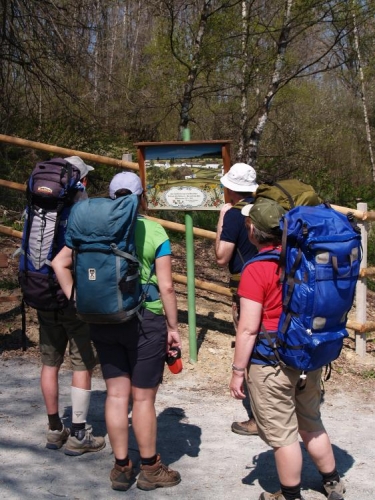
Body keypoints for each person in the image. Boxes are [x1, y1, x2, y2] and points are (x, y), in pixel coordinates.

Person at [52, 171, 182, 492]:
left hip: (103, 319)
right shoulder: (153, 229)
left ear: (111, 197)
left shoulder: (90, 228)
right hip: (145, 322)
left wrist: (77, 298)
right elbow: (165, 285)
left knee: (117, 394)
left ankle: (122, 467)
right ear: (140, 198)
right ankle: (150, 468)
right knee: (142, 399)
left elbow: (59, 263)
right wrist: (174, 327)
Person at [229, 197, 346, 500]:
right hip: (308, 355)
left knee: (283, 436)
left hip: (271, 362)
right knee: (311, 422)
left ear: (252, 231)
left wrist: (237, 370)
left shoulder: (256, 270)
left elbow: (248, 328)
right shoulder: (305, 258)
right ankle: (332, 481)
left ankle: (289, 495)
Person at [37, 155, 105, 456]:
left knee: (49, 362)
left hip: (41, 290)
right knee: (82, 363)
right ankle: (79, 433)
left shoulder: (38, 205)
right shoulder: (82, 208)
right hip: (73, 292)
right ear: (82, 180)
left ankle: (54, 429)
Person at [215, 162, 259, 436]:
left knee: (250, 347)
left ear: (231, 188)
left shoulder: (234, 214)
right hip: (277, 287)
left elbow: (221, 257)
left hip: (246, 289)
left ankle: (257, 417)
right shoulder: (269, 209)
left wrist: (222, 219)